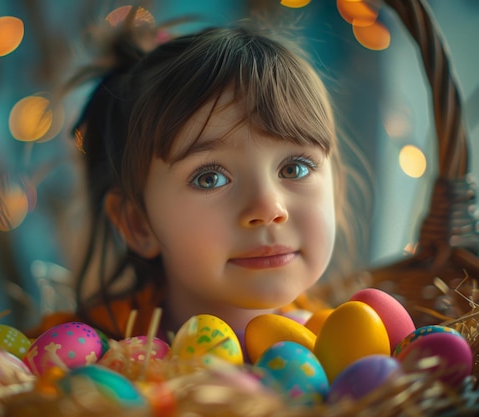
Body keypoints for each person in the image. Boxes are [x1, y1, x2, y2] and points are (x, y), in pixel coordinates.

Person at [36, 16, 358, 342]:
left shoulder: (345, 347)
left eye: (294, 169)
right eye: (210, 178)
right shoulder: (87, 357)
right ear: (138, 223)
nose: (267, 207)